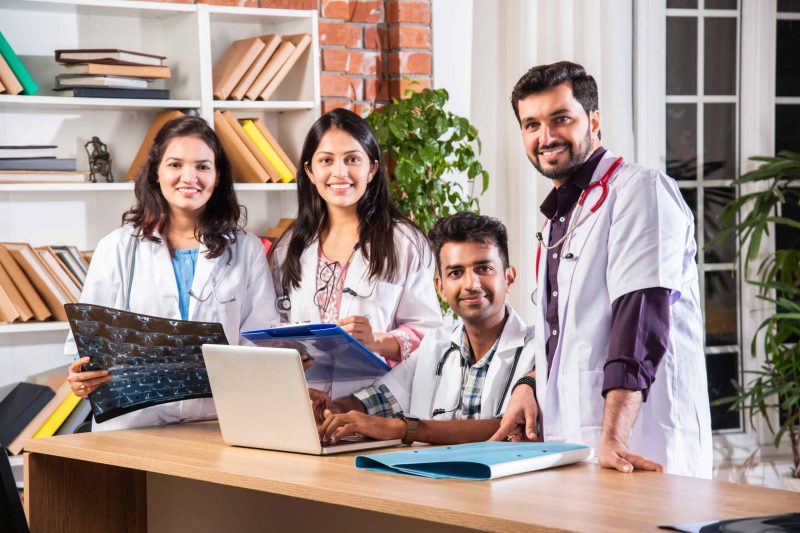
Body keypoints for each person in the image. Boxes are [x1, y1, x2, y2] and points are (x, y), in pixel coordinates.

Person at [492, 61, 712, 478]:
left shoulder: (640, 191)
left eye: (561, 119)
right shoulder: (558, 218)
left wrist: (616, 436)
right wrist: (530, 384)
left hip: (639, 444)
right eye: (531, 124)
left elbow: (640, 321)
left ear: (593, 120)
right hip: (575, 445)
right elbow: (569, 334)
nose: (546, 136)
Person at [64, 115, 279, 431]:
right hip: (134, 425)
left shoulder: (246, 250)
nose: (188, 177)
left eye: (203, 166)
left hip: (219, 421)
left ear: (218, 176)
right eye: (175, 164)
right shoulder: (117, 247)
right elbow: (86, 343)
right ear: (156, 173)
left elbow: (262, 342)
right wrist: (81, 378)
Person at [312, 213, 534, 446]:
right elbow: (379, 399)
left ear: (509, 278)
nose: (471, 284)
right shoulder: (435, 345)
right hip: (432, 481)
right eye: (456, 273)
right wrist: (332, 410)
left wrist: (404, 429)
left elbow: (509, 428)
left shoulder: (539, 349)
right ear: (441, 288)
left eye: (484, 268)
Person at [269, 108, 441, 371]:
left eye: (352, 159)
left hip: (375, 401)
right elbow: (274, 328)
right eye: (326, 161)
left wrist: (376, 341)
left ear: (372, 169)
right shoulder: (288, 247)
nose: (339, 172)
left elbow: (430, 334)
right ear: (310, 171)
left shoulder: (404, 242)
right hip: (305, 398)